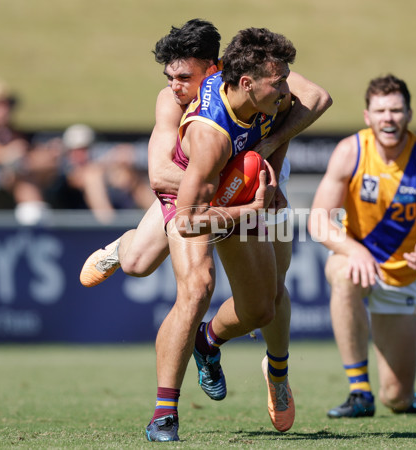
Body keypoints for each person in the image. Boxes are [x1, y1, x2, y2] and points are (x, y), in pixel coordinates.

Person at [78, 19, 331, 439]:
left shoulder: (268, 83)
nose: (176, 86)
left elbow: (313, 99)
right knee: (182, 281)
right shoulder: (198, 123)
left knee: (267, 302)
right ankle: (164, 413)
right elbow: (164, 181)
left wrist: (267, 155)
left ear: (216, 68)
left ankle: (220, 346)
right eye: (170, 77)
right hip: (196, 190)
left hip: (244, 184)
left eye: (184, 76)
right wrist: (238, 197)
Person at [143, 27, 300, 442]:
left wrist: (273, 173)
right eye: (279, 79)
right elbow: (187, 220)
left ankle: (207, 342)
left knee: (261, 310)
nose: (286, 87)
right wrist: (251, 209)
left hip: (235, 198)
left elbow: (307, 106)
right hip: (192, 200)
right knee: (196, 289)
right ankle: (163, 414)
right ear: (247, 83)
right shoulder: (210, 136)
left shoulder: (270, 97)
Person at [308, 74, 416, 419]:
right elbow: (317, 221)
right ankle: (359, 391)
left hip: (402, 277)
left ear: (408, 114)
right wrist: (355, 250)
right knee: (344, 273)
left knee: (397, 398)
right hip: (356, 262)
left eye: (395, 110)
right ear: (367, 116)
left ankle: (409, 397)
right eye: (380, 111)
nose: (388, 117)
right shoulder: (351, 151)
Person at [0, 77, 60, 220]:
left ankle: (36, 215)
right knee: (21, 176)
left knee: (41, 165)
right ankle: (37, 220)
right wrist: (17, 154)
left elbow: (24, 155)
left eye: (6, 105)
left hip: (19, 173)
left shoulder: (13, 132)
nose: (3, 110)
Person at [60, 123, 153, 223]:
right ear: (68, 152)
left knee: (129, 176)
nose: (80, 155)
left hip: (120, 207)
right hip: (85, 216)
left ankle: (160, 220)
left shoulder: (101, 167)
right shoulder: (64, 171)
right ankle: (110, 226)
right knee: (92, 176)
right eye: (75, 151)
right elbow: (75, 178)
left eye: (84, 149)